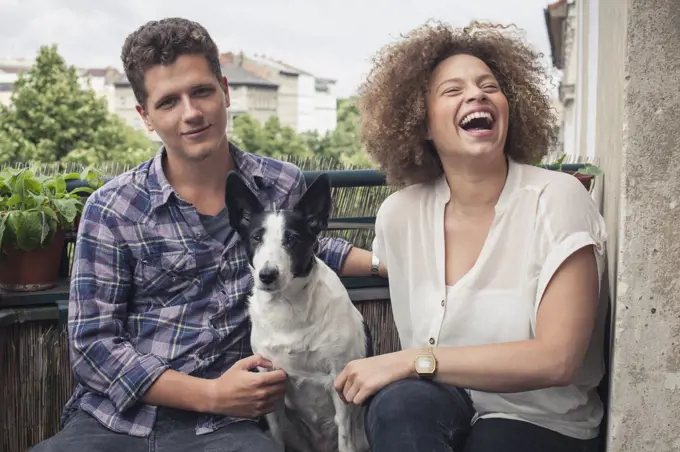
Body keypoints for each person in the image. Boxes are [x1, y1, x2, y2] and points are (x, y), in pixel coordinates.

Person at [31, 17, 384, 452]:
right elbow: (92, 347)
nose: (191, 113)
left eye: (201, 91)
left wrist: (386, 262)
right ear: (145, 116)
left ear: (225, 91)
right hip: (117, 419)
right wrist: (212, 393)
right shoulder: (112, 207)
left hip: (225, 430)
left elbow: (303, 247)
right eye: (168, 102)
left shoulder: (280, 184)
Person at [332, 20, 608, 452]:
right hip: (445, 403)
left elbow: (559, 359)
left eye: (489, 86)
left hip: (540, 420)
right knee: (398, 405)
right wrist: (310, 255)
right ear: (420, 122)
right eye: (452, 90)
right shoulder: (399, 215)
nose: (476, 95)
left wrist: (414, 360)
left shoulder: (556, 199)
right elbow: (382, 263)